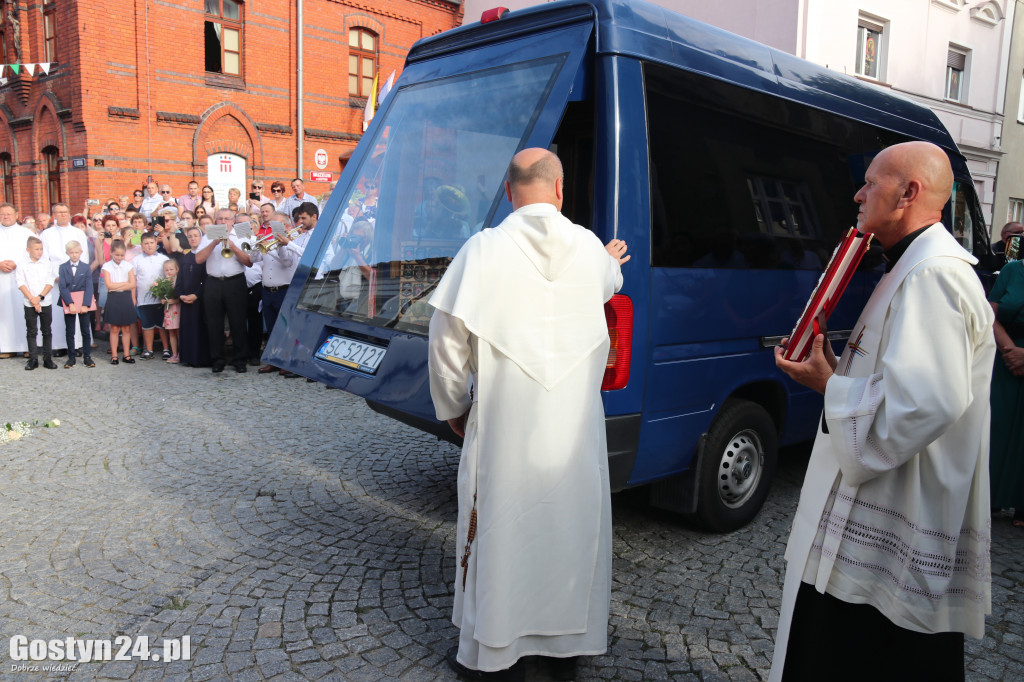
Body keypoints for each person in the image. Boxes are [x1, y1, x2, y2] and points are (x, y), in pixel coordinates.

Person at [771, 141, 995, 681]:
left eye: (871, 182)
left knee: (868, 656)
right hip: (878, 494)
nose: (858, 192)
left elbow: (925, 402)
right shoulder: (909, 266)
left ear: (908, 193)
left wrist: (830, 386)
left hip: (900, 512)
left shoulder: (933, 274)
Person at [427, 148, 629, 681]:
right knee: (569, 529)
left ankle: (494, 652)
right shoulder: (588, 250)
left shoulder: (482, 250)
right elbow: (609, 281)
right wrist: (607, 258)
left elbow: (446, 340)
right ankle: (564, 649)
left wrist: (454, 407)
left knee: (500, 528)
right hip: (573, 432)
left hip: (503, 429)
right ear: (560, 190)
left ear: (509, 189)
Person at [252, 206, 314, 376]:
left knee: (287, 328)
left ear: (286, 227)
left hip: (284, 290)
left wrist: (274, 247)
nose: (274, 229)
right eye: (273, 226)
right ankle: (274, 360)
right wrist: (256, 244)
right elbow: (253, 259)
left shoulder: (291, 243)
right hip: (267, 290)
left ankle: (287, 361)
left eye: (278, 226)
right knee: (272, 328)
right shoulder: (267, 239)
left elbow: (286, 261)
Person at [987, 250, 1024, 527]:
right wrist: (1010, 350)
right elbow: (991, 314)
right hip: (1005, 360)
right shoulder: (1012, 271)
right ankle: (989, 498)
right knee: (995, 427)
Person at [195, 207, 253, 373]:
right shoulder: (207, 236)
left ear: (233, 221)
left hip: (235, 282)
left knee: (238, 322)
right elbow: (198, 259)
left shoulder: (242, 234)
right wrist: (214, 243)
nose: (223, 222)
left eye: (227, 219)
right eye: (220, 219)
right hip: (213, 283)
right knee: (214, 324)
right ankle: (218, 360)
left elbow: (249, 261)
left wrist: (233, 246)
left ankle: (240, 360)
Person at [16, 236, 57, 370]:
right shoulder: (22, 264)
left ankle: (47, 358)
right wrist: (32, 299)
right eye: (36, 249)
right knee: (31, 331)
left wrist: (39, 297)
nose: (39, 252)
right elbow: (21, 283)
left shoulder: (47, 263)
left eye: (41, 249)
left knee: (46, 331)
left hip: (45, 301)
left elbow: (50, 282)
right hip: (29, 302)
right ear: (28, 250)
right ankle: (33, 359)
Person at [0, 203, 34, 356]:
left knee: (23, 312)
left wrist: (16, 263)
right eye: (2, 214)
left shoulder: (26, 234)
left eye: (8, 213)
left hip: (21, 278)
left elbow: (35, 253)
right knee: (4, 313)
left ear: (16, 215)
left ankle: (27, 346)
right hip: (1, 279)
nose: (5, 216)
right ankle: (7, 348)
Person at [57, 240, 95, 368]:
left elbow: (89, 287)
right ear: (67, 253)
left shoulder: (86, 267)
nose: (74, 255)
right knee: (70, 330)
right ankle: (71, 357)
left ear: (81, 252)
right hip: (69, 301)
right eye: (71, 252)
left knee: (85, 330)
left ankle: (87, 356)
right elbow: (62, 287)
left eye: (76, 252)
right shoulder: (63, 267)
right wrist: (70, 303)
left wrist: (86, 304)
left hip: (83, 301)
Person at [176, 227, 210, 367]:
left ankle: (200, 359)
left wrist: (196, 295)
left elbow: (207, 280)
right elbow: (179, 280)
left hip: (200, 300)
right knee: (188, 329)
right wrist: (181, 295)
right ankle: (188, 357)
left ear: (201, 238)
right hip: (186, 300)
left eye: (196, 236)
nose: (193, 238)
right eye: (190, 236)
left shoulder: (206, 257)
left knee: (200, 329)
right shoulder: (185, 257)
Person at [133, 232, 170, 360]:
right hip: (144, 298)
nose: (149, 246)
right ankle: (149, 349)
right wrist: (133, 297)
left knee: (162, 324)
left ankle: (166, 349)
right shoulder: (136, 260)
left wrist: (166, 295)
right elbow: (133, 279)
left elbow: (168, 278)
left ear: (156, 243)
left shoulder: (163, 259)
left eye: (151, 243)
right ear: (142, 245)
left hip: (160, 299)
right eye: (146, 244)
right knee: (147, 325)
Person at [101, 240, 137, 365]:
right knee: (114, 328)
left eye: (122, 255)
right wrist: (124, 284)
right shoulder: (107, 266)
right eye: (117, 255)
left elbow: (132, 284)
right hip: (114, 298)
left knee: (126, 328)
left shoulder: (128, 266)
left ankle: (126, 354)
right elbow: (108, 285)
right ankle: (114, 355)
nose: (119, 258)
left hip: (126, 297)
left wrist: (118, 286)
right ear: (111, 253)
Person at [160, 259, 181, 363]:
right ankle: (174, 353)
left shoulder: (179, 281)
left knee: (179, 332)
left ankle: (182, 353)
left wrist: (175, 300)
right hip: (168, 310)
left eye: (171, 269)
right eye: (166, 270)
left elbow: (181, 297)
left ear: (177, 269)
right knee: (171, 332)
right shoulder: (164, 283)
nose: (169, 272)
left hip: (177, 309)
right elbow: (161, 295)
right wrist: (162, 300)